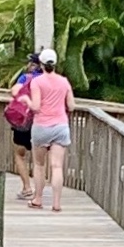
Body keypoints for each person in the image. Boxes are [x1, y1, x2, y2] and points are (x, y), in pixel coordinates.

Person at [27, 50, 75, 210]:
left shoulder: (37, 82)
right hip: (61, 126)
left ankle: (38, 199)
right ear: (54, 64)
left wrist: (26, 100)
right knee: (57, 166)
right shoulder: (64, 82)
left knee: (39, 165)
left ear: (41, 64)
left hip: (41, 126)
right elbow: (72, 106)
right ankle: (56, 203)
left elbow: (36, 106)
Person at [5, 54, 41, 200]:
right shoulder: (50, 80)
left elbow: (14, 91)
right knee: (40, 159)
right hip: (42, 121)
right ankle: (39, 191)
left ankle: (27, 188)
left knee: (20, 154)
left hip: (24, 121)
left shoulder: (25, 78)